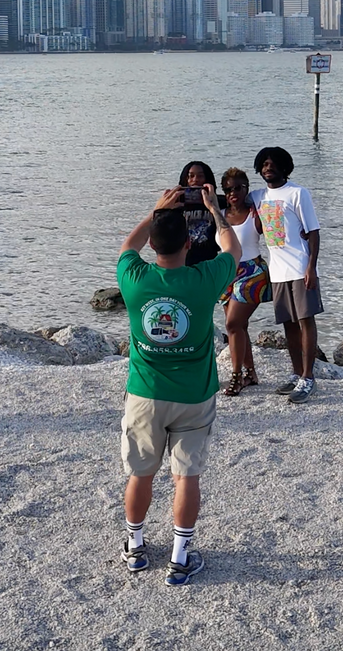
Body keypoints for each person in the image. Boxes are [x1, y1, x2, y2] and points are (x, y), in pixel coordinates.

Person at [115, 184, 239, 586]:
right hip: (194, 396)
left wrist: (156, 209)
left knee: (140, 474)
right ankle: (179, 557)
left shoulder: (134, 278)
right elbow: (231, 249)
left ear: (153, 245)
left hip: (145, 394)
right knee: (186, 477)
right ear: (189, 243)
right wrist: (215, 210)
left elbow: (127, 246)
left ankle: (135, 549)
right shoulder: (204, 279)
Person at [251, 146, 323, 404]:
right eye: (264, 164)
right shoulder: (258, 196)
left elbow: (313, 231)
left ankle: (308, 377)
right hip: (277, 272)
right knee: (288, 325)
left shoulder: (297, 193)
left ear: (284, 167)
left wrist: (311, 267)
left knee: (306, 321)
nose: (268, 167)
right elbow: (231, 199)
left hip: (300, 267)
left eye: (273, 163)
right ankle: (295, 373)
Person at [216, 166, 270, 396]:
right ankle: (251, 374)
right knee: (240, 326)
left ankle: (236, 376)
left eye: (238, 188)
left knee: (232, 325)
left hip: (252, 272)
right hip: (227, 272)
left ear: (247, 188)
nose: (233, 193)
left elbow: (279, 232)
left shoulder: (255, 213)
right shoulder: (219, 213)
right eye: (228, 189)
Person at [178, 161, 220, 266]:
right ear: (185, 179)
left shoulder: (218, 201)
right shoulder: (177, 204)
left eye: (200, 176)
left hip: (210, 260)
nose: (195, 180)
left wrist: (213, 202)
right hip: (183, 261)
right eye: (191, 176)